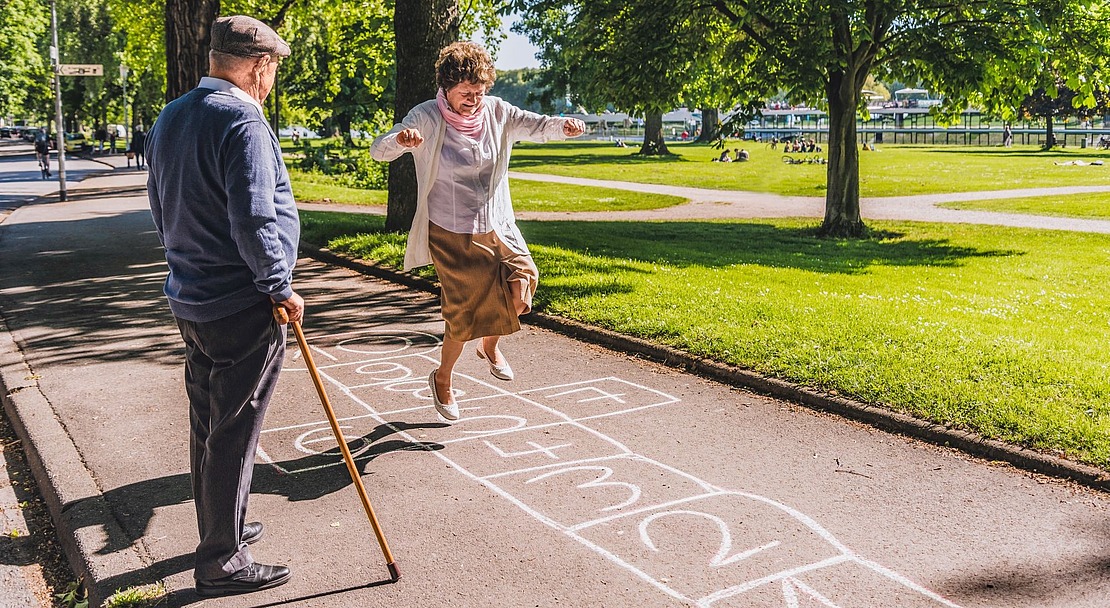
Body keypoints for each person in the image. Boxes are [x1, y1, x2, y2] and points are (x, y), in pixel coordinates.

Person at [145, 15, 301, 597]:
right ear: (258, 66)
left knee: (208, 421)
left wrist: (183, 259)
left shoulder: (173, 114)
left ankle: (224, 527)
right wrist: (279, 284)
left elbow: (160, 206)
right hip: (239, 299)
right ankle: (220, 558)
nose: (272, 81)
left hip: (190, 294)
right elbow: (255, 216)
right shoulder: (242, 120)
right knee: (234, 428)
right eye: (273, 71)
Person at [370, 41, 585, 423]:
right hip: (450, 231)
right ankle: (443, 378)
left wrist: (564, 127)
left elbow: (536, 124)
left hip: (496, 222)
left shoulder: (497, 112)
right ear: (446, 87)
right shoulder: (426, 117)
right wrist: (400, 141)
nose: (474, 100)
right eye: (466, 93)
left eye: (480, 92)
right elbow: (379, 149)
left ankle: (489, 346)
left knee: (523, 284)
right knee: (463, 315)